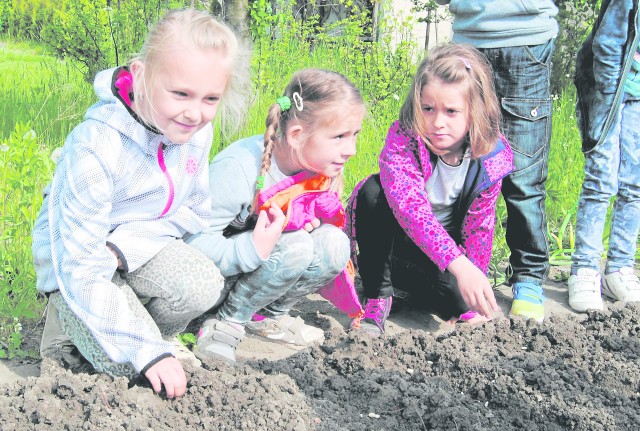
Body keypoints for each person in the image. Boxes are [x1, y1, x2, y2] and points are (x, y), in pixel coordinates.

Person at [32, 8, 250, 398]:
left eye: (210, 98)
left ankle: (137, 331)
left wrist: (124, 248)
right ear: (143, 74)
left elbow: (193, 211)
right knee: (129, 369)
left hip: (131, 252)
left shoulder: (194, 132)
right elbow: (81, 266)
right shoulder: (96, 146)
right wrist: (144, 353)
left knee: (203, 285)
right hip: (77, 267)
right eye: (180, 93)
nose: (194, 112)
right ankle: (68, 331)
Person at [185, 68, 366, 363]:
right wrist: (254, 248)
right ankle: (225, 321)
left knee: (333, 243)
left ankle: (264, 316)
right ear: (296, 135)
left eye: (354, 135)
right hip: (211, 281)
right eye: (339, 137)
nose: (352, 150)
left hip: (252, 270)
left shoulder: (314, 170)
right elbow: (192, 244)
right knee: (297, 247)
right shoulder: (239, 168)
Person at [347, 44, 514, 336]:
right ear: (417, 105)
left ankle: (414, 293)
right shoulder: (403, 139)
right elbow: (410, 209)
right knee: (372, 192)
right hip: (392, 246)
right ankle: (378, 295)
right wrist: (460, 266)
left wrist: (472, 285)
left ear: (475, 111)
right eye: (428, 109)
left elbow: (480, 228)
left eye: (451, 111)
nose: (437, 122)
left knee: (465, 300)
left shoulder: (490, 156)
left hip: (439, 257)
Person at [436, 0, 558, 323]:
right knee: (464, 169)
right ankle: (465, 272)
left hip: (526, 39)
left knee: (524, 177)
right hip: (468, 43)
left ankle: (529, 279)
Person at [568, 0, 640, 312]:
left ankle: (619, 269)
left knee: (635, 185)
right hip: (611, 93)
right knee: (601, 181)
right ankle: (585, 269)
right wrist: (610, 97)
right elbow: (607, 42)